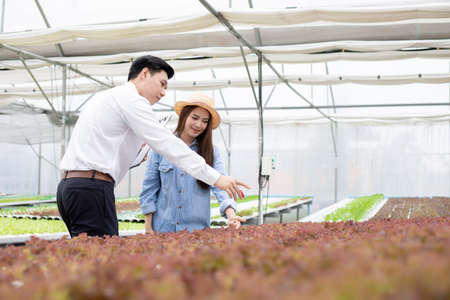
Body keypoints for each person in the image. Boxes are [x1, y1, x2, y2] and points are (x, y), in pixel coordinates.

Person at [57, 55, 249, 238]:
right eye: (162, 84)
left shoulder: (109, 97)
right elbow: (166, 143)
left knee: (86, 256)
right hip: (91, 188)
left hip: (71, 187)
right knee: (100, 260)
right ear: (144, 74)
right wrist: (217, 178)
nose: (163, 92)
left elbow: (112, 146)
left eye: (204, 121)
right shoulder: (132, 100)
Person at [139, 94, 245, 233]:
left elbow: (220, 186)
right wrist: (148, 227)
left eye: (204, 121)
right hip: (164, 229)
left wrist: (231, 215)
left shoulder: (211, 152)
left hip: (197, 231)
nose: (198, 125)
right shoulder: (162, 147)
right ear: (184, 116)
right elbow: (150, 188)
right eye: (194, 118)